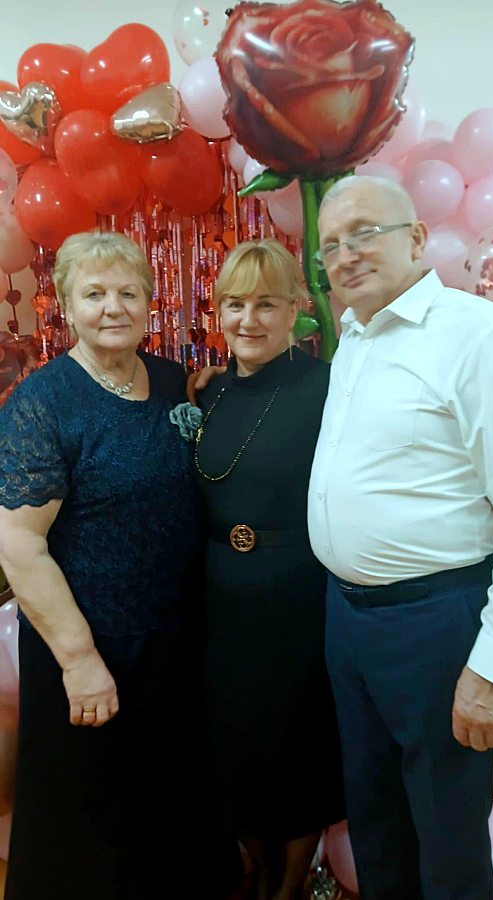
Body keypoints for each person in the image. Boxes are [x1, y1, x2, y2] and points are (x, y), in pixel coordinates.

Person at [0, 230, 241, 899]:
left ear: (148, 300)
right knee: (94, 822)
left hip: (176, 642)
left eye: (128, 292)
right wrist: (80, 661)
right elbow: (19, 544)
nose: (114, 307)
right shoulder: (43, 404)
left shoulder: (169, 381)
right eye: (95, 293)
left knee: (172, 810)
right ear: (68, 305)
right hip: (90, 648)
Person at [308, 174, 493, 899]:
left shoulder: (480, 337)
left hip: (436, 624)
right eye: (331, 245)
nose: (347, 254)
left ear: (417, 238)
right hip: (349, 619)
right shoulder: (355, 337)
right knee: (376, 821)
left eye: (364, 233)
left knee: (447, 837)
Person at [173, 238, 345, 900]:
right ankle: (262, 871)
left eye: (266, 304)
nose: (249, 320)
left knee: (295, 745)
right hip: (221, 600)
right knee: (235, 745)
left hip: (296, 595)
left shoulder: (326, 387)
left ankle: (291, 885)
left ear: (296, 309)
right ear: (218, 310)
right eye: (235, 304)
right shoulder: (208, 392)